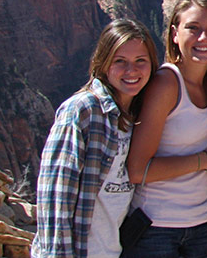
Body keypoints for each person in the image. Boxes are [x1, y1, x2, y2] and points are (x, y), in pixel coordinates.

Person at [33, 19, 159, 258]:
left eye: (140, 61)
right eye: (119, 61)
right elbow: (55, 200)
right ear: (103, 63)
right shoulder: (83, 111)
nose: (131, 71)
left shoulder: (139, 117)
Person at [125, 0, 207, 258]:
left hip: (203, 223)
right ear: (175, 33)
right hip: (155, 228)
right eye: (193, 28)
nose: (203, 38)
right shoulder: (166, 84)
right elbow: (137, 170)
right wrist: (206, 161)